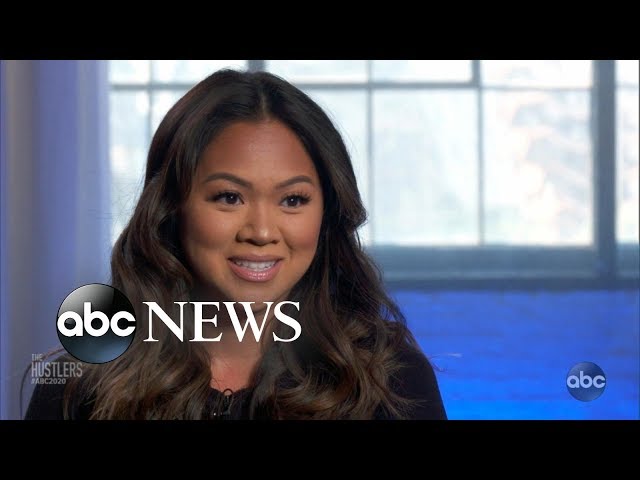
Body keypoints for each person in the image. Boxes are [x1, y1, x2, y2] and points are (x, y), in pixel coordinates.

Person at [24, 69, 447, 420]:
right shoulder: (81, 386)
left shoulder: (391, 380)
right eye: (229, 197)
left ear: (328, 213)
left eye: (293, 200)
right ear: (170, 207)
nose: (261, 232)